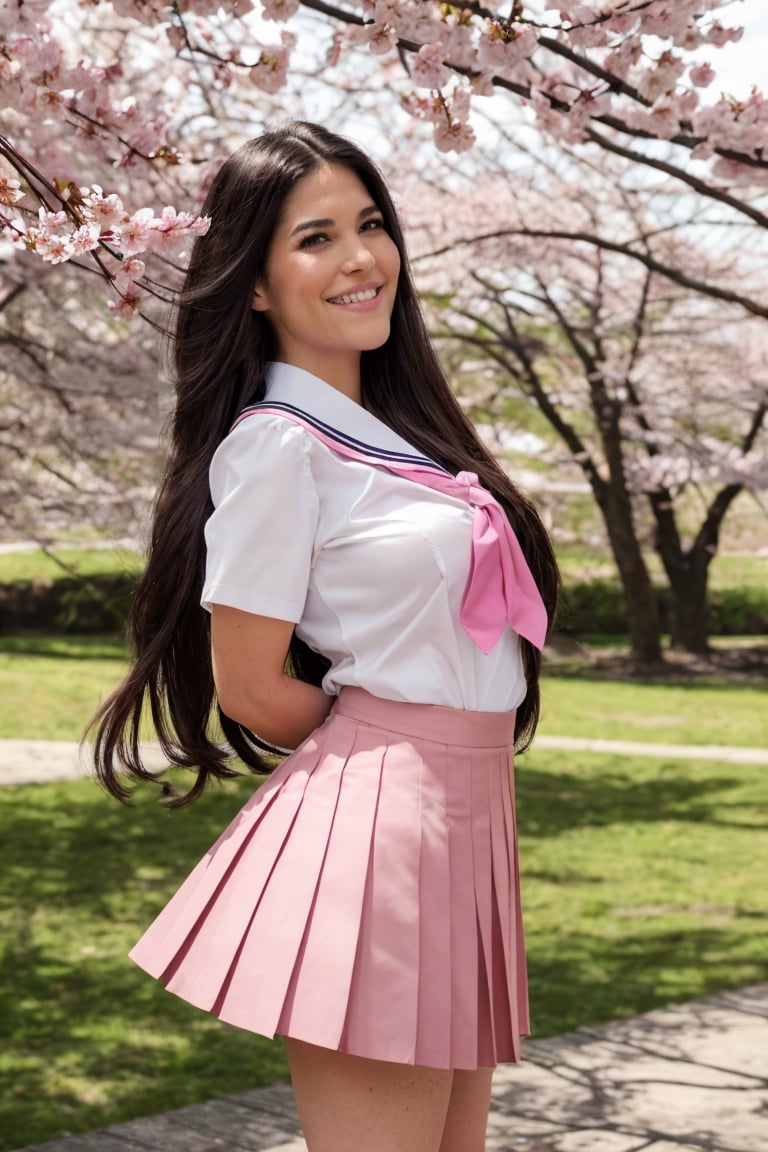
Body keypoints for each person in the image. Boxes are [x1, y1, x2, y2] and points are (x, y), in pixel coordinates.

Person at [90, 120, 559, 1152]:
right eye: (315, 237)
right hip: (388, 828)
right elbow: (252, 687)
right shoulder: (276, 450)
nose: (361, 258)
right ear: (253, 284)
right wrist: (391, 748)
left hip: (470, 818)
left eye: (372, 224)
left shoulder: (404, 445)